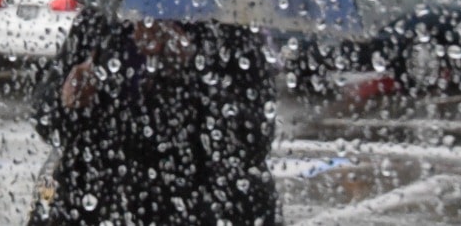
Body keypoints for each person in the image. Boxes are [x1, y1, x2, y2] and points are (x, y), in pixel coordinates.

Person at [28, 13, 281, 225]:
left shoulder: (228, 28)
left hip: (199, 208)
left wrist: (191, 67)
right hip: (101, 206)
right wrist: (67, 97)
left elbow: (255, 139)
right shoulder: (101, 22)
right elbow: (45, 117)